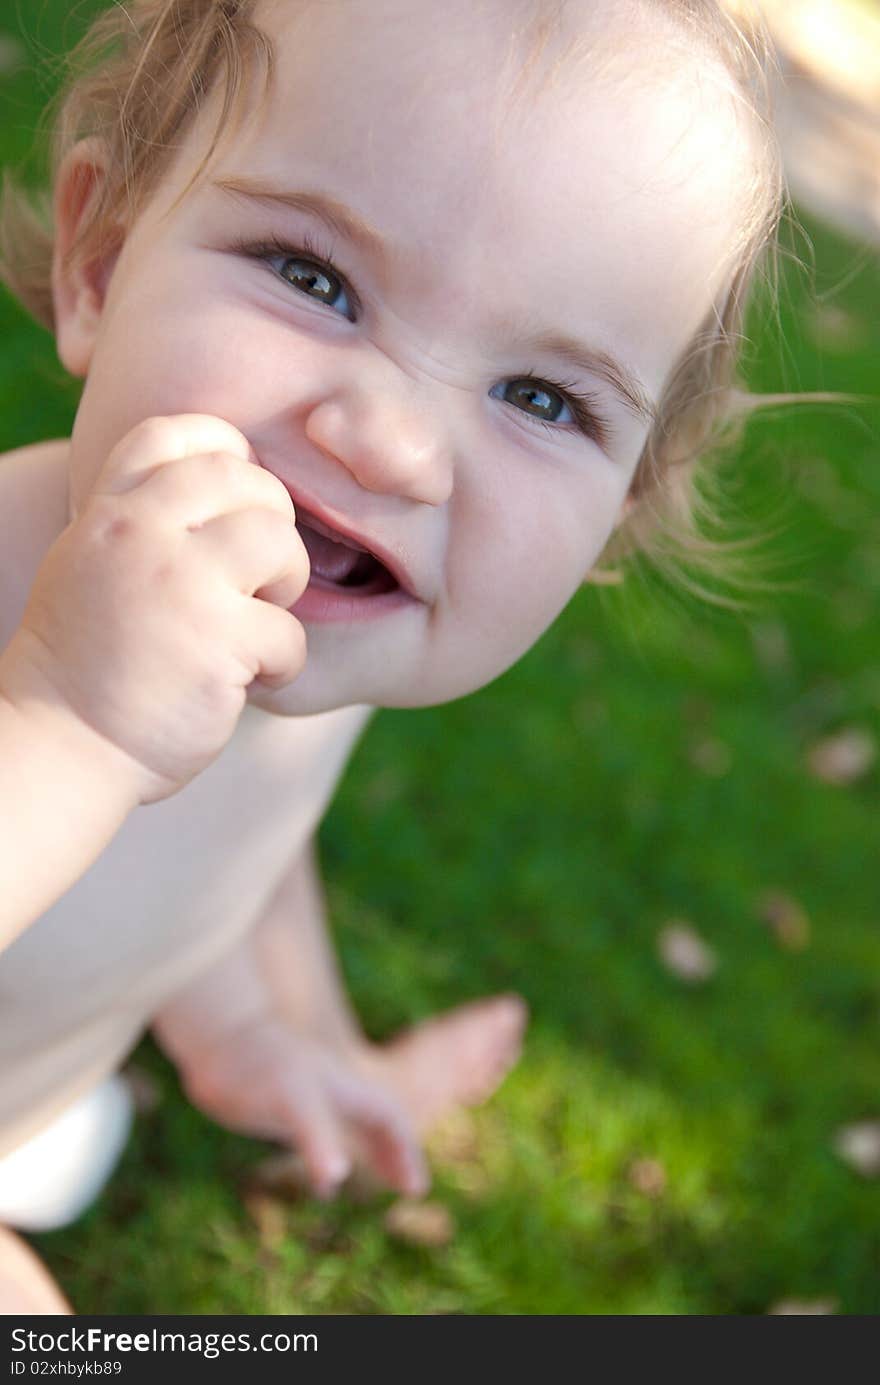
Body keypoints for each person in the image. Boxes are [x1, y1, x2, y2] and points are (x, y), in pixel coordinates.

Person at [0, 0, 785, 1312]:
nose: (392, 443)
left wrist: (261, 1029)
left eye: (543, 398)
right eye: (316, 278)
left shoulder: (307, 645)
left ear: (619, 518)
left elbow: (238, 837)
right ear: (102, 259)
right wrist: (68, 724)